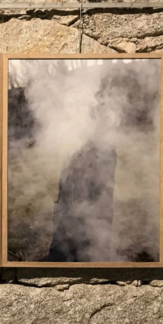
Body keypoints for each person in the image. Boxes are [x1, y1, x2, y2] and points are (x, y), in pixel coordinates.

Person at [46, 88, 117, 262]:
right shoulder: (74, 139)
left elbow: (97, 193)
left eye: (74, 105)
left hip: (91, 225)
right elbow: (65, 188)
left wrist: (74, 220)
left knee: (89, 262)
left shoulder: (101, 143)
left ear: (87, 109)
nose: (69, 111)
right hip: (66, 222)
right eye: (68, 106)